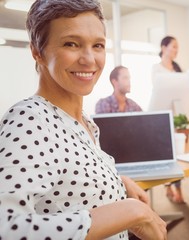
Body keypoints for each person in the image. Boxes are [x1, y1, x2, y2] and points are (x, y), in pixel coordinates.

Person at [0, 1, 167, 240]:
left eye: (98, 45)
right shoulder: (30, 119)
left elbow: (66, 179)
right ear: (37, 51)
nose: (89, 59)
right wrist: (132, 211)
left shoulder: (83, 122)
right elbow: (6, 228)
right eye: (71, 44)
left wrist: (117, 183)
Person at [152, 36, 185, 204]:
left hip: (177, 116)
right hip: (162, 116)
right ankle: (168, 186)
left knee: (178, 154)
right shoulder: (156, 69)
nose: (176, 50)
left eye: (177, 47)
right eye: (173, 46)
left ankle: (179, 188)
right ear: (163, 47)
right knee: (168, 154)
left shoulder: (177, 69)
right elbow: (158, 93)